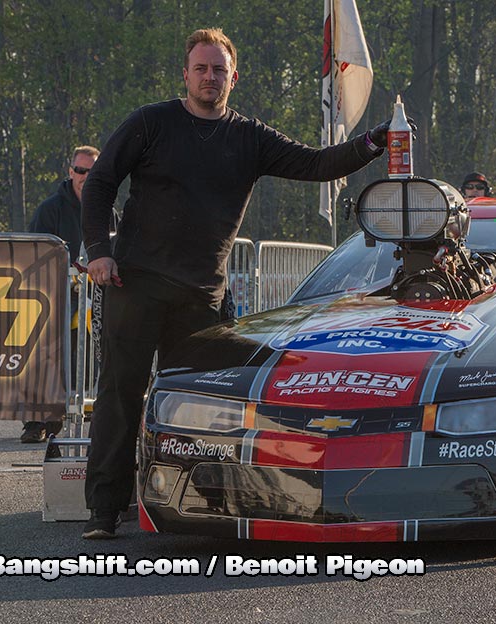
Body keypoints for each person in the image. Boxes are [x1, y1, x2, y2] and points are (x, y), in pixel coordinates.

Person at [79, 28, 391, 539]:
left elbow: (316, 164)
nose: (210, 77)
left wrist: (373, 142)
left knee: (202, 404)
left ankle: (191, 503)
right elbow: (99, 183)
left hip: (202, 297)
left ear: (233, 77)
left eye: (218, 70)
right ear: (185, 75)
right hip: (136, 283)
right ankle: (104, 510)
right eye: (201, 69)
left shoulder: (250, 137)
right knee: (120, 395)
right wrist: (99, 251)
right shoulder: (151, 123)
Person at [22, 145, 100, 443]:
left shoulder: (107, 211)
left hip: (95, 300)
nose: (85, 176)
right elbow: (33, 255)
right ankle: (37, 422)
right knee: (46, 357)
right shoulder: (49, 209)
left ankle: (96, 417)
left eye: (92, 171)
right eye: (80, 170)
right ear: (70, 172)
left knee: (102, 354)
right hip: (54, 300)